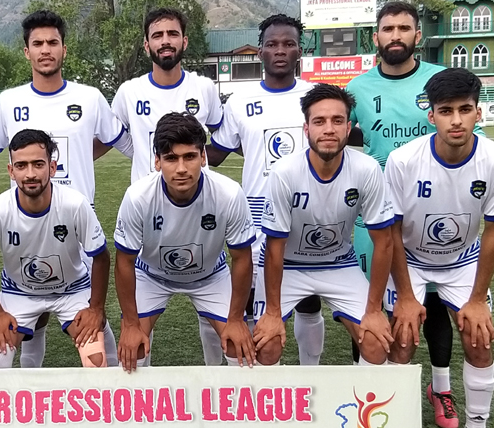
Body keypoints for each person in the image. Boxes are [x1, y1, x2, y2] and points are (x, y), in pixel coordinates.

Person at [384, 69, 494, 428]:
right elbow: (390, 231)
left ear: (479, 112)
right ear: (432, 116)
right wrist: (407, 296)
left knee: (479, 339)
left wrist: (477, 300)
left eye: (465, 110)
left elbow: (493, 235)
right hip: (410, 260)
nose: (456, 120)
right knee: (402, 341)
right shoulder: (403, 160)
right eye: (446, 111)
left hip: (463, 261)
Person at [0, 10, 131, 368]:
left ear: (64, 49)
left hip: (77, 225)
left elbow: (123, 143)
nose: (45, 49)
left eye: (53, 42)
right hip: (26, 224)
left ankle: (111, 393)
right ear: (26, 52)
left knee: (90, 321)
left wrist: (84, 156)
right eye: (37, 43)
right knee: (31, 318)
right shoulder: (8, 101)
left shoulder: (89, 97)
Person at [345, 1, 460, 427]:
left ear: (417, 36)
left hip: (431, 208)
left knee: (431, 302)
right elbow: (338, 132)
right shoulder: (357, 87)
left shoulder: (438, 81)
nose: (395, 35)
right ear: (375, 37)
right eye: (387, 29)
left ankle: (441, 388)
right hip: (374, 211)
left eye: (404, 28)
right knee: (370, 305)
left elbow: (466, 137)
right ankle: (370, 390)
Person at [207, 14, 325, 366]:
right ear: (259, 51)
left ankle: (310, 373)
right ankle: (246, 378)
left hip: (307, 209)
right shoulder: (240, 101)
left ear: (299, 51)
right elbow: (216, 153)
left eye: (288, 43)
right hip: (257, 211)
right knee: (251, 294)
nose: (280, 50)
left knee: (308, 297)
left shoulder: (314, 96)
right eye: (272, 43)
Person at [111, 7, 225, 365]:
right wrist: (148, 168)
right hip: (149, 216)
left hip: (198, 208)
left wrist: (200, 166)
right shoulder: (129, 91)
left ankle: (217, 386)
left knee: (213, 317)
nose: (165, 41)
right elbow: (121, 139)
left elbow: (220, 140)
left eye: (172, 34)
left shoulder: (204, 88)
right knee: (139, 330)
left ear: (184, 41)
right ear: (147, 44)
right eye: (158, 36)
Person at [252, 84, 394, 366]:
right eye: (319, 121)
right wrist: (272, 312)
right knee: (266, 347)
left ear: (348, 127)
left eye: (337, 121)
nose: (328, 129)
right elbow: (274, 248)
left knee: (377, 346)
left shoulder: (366, 169)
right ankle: (274, 408)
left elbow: (385, 241)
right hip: (289, 265)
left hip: (339, 263)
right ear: (306, 129)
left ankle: (362, 408)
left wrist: (375, 309)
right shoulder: (285, 172)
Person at [114, 112, 256, 371]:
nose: (181, 168)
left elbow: (242, 258)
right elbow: (124, 261)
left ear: (203, 157)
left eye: (189, 157)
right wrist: (131, 325)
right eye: (170, 158)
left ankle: (228, 406)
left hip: (210, 275)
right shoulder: (138, 197)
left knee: (240, 348)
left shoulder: (229, 193)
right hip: (152, 275)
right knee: (134, 351)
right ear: (156, 161)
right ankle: (144, 410)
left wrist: (236, 318)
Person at [0, 130, 110, 369]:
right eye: (21, 166)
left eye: (38, 164)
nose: (30, 174)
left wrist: (95, 308)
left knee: (96, 360)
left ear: (52, 168)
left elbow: (101, 256)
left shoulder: (75, 204)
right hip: (19, 292)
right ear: (11, 171)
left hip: (72, 289)